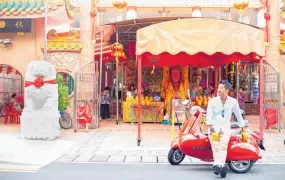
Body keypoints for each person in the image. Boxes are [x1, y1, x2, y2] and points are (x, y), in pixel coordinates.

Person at [206, 80, 246, 178]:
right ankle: (221, 166)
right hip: (214, 129)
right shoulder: (212, 102)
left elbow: (238, 115)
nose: (218, 90)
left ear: (227, 90)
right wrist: (212, 132)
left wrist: (243, 127)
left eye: (221, 88)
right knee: (216, 145)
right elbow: (209, 118)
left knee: (223, 146)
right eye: (218, 88)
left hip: (225, 129)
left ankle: (218, 166)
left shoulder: (233, 102)